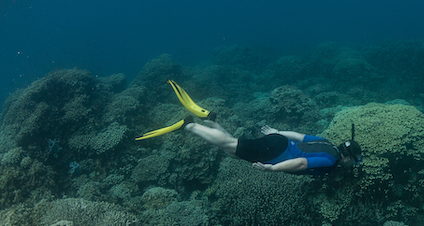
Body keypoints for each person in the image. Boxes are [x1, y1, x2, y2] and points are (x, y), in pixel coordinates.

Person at [136, 80, 362, 175]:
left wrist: (276, 131)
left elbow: (299, 135)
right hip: (275, 153)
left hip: (279, 142)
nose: (353, 165)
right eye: (354, 161)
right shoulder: (330, 160)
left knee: (232, 152)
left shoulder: (327, 143)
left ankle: (210, 117)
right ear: (348, 157)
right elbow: (302, 162)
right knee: (230, 145)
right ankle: (189, 125)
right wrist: (271, 169)